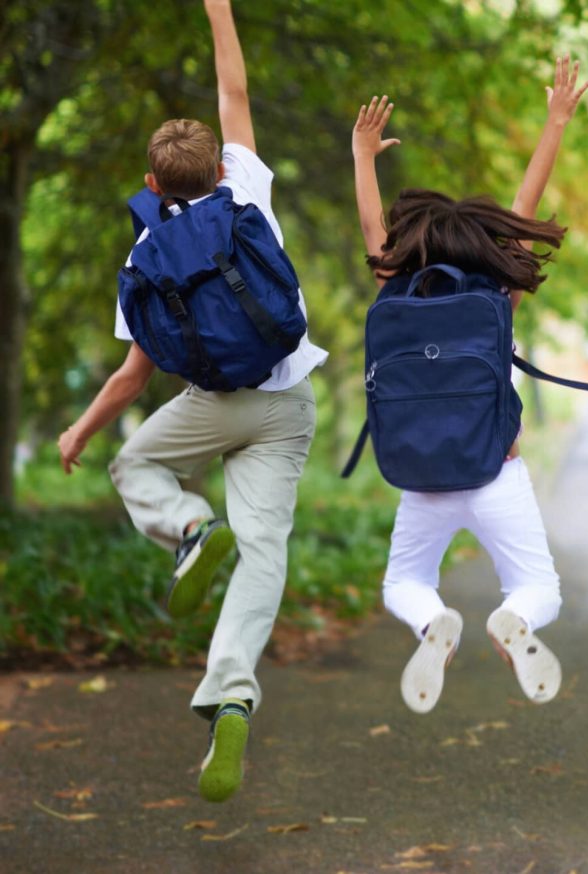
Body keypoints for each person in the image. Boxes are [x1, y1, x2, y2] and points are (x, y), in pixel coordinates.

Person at [56, 0, 327, 803]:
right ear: (218, 167)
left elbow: (132, 378)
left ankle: (186, 528)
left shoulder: (146, 251)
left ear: (151, 184)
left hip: (210, 403)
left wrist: (77, 432)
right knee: (264, 548)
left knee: (134, 463)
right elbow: (232, 93)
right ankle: (231, 691)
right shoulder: (245, 191)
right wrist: (220, 12)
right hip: (287, 398)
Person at [350, 58, 588, 714]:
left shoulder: (391, 294)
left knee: (404, 581)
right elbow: (523, 210)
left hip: (421, 479)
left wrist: (362, 156)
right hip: (495, 471)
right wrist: (555, 123)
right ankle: (513, 620)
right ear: (484, 249)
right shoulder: (494, 297)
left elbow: (373, 234)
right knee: (539, 588)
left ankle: (432, 624)